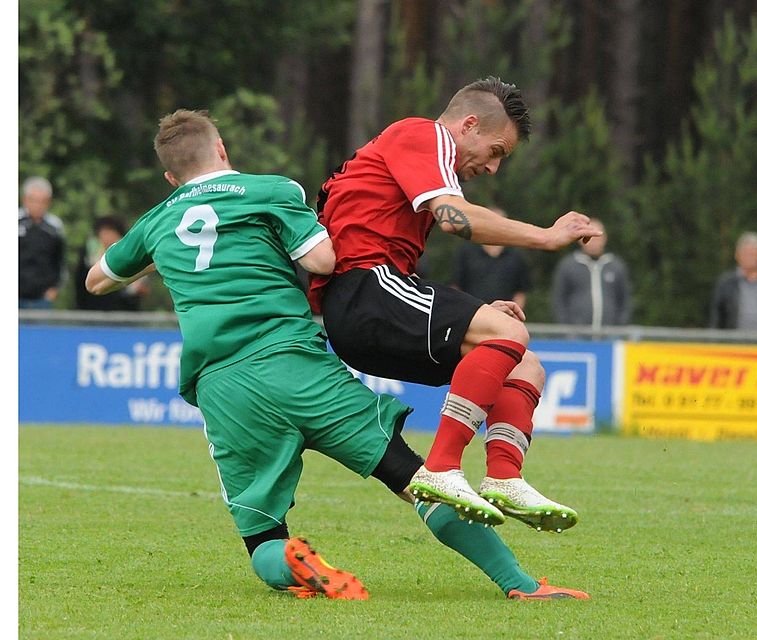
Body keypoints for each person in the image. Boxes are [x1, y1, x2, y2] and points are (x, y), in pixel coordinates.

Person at [85, 109, 587, 602]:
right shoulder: (273, 191)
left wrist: (162, 250)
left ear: (172, 177)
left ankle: (291, 560)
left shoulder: (158, 221)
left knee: (262, 533)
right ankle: (517, 582)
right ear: (222, 149)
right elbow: (323, 259)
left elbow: (99, 279)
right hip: (294, 364)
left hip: (221, 387)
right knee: (413, 479)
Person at [309, 76, 603, 531]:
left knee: (524, 365)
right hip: (365, 291)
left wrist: (477, 316)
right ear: (468, 125)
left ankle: (505, 475)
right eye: (497, 152)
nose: (492, 169)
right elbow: (454, 217)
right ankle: (442, 467)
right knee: (510, 334)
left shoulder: (406, 156)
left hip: (372, 298)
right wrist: (546, 236)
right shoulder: (421, 133)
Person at [550, 219, 632, 328]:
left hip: (609, 337)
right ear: (581, 239)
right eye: (589, 237)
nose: (594, 241)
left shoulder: (616, 266)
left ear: (605, 238)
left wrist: (619, 327)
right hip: (576, 337)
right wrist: (567, 329)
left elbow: (624, 300)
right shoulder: (568, 266)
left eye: (597, 237)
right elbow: (559, 300)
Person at [452, 206, 531, 309]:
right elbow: (456, 286)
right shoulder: (466, 252)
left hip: (504, 316)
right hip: (472, 315)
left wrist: (514, 315)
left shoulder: (516, 255)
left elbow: (520, 292)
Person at [708, 231, 757, 331]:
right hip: (732, 344)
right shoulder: (726, 282)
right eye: (746, 253)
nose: (750, 258)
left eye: (753, 254)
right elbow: (717, 316)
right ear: (737, 255)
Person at [74, 216, 150, 311]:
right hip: (93, 310)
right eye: (104, 233)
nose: (107, 238)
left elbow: (142, 286)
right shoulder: (89, 256)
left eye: (110, 233)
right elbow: (81, 285)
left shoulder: (129, 253)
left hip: (125, 312)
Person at [19, 176, 65, 309]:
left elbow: (60, 261)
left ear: (48, 202)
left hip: (43, 298)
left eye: (41, 201)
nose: (37, 205)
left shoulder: (55, 227)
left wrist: (54, 289)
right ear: (25, 200)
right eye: (33, 200)